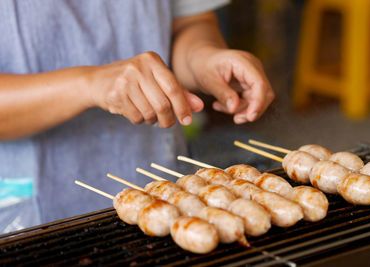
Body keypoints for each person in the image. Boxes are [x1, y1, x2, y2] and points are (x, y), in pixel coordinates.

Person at [0, 0, 274, 233]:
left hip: (157, 183)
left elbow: (192, 22)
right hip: (26, 210)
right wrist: (89, 84)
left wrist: (203, 59)